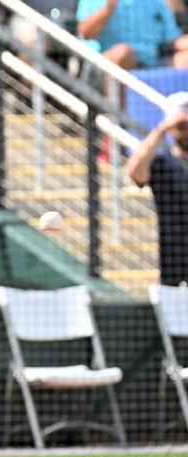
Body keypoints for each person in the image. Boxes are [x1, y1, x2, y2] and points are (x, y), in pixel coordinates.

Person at [125, 91, 188, 286]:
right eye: (180, 126)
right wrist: (162, 129)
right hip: (175, 262)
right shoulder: (163, 164)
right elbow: (135, 171)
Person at [77, 0, 188, 69]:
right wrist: (109, 8)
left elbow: (173, 39)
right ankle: (115, 106)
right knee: (124, 53)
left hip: (151, 63)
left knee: (185, 59)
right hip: (106, 65)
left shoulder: (158, 2)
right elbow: (85, 33)